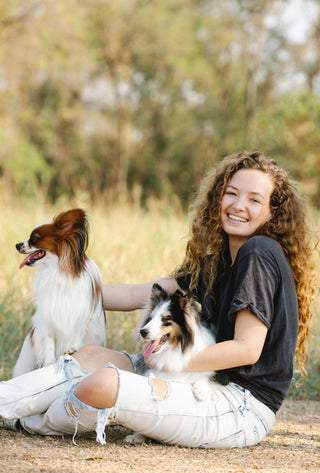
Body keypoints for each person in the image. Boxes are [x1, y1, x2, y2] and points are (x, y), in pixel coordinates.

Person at [0, 150, 317, 448]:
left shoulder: (258, 253)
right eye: (231, 193)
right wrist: (63, 283)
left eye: (254, 199)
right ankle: (5, 403)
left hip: (235, 402)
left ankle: (26, 423)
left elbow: (247, 349)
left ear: (274, 212)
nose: (238, 205)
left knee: (101, 385)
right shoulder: (217, 261)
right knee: (88, 357)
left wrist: (167, 360)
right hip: (185, 372)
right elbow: (133, 293)